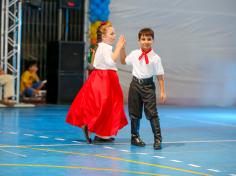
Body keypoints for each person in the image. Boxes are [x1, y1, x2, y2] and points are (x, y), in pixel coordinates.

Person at [66, 22, 128, 144]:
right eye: (112, 33)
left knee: (109, 105)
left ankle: (102, 133)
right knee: (103, 104)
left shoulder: (105, 47)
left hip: (108, 77)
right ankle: (90, 126)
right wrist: (118, 47)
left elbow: (123, 61)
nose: (114, 36)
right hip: (104, 77)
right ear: (104, 36)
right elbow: (110, 62)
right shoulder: (104, 47)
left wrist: (122, 48)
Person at [120, 28, 166, 150]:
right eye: (143, 39)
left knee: (152, 114)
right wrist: (122, 48)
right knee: (134, 113)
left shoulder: (156, 58)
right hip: (135, 85)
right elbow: (123, 61)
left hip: (148, 87)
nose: (146, 41)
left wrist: (162, 91)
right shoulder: (135, 54)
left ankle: (157, 139)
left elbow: (160, 75)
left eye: (149, 39)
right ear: (139, 40)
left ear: (153, 41)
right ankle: (134, 137)